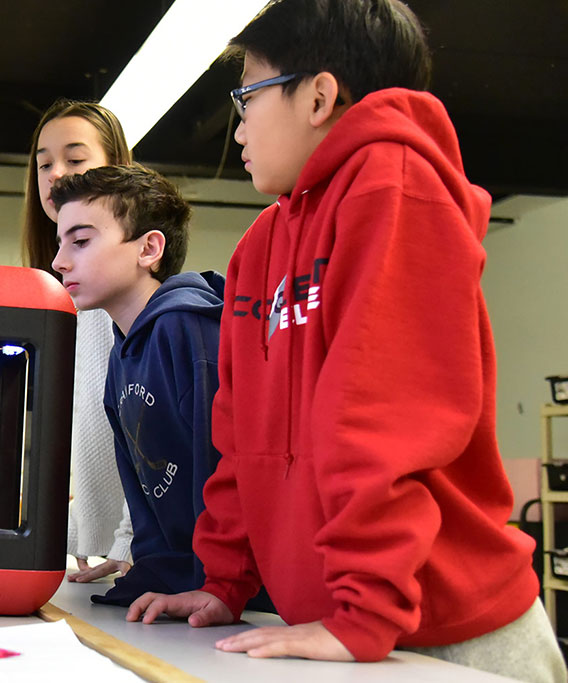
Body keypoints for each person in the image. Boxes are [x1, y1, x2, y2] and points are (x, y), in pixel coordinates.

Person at [125, 1, 566, 681]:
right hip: (344, 626)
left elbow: (383, 415)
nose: (237, 126)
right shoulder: (259, 249)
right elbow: (241, 435)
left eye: (247, 96)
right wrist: (226, 579)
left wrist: (364, 607)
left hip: (445, 632)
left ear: (319, 96)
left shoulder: (395, 186)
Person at [50, 164, 225, 606]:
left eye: (82, 241)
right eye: (60, 242)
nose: (59, 261)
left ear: (149, 249)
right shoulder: (123, 352)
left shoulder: (186, 329)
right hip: (183, 584)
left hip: (228, 591)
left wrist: (218, 584)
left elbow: (222, 467)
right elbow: (144, 494)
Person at [21, 99, 134, 582]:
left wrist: (129, 538)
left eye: (75, 158)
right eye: (44, 163)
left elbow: (151, 437)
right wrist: (80, 528)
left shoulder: (132, 299)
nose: (55, 174)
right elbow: (86, 432)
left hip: (144, 557)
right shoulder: (64, 293)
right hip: (99, 560)